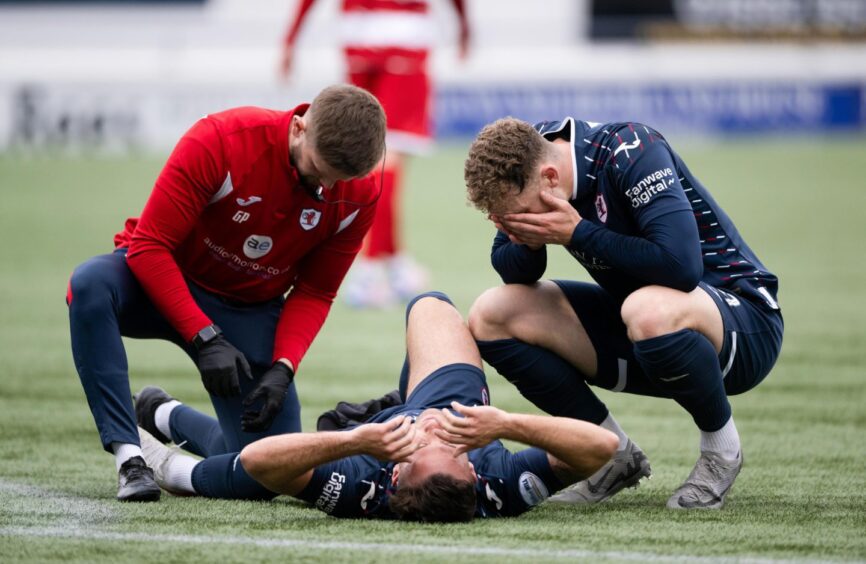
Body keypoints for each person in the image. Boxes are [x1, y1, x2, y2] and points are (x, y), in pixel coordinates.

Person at [66, 84, 387, 502]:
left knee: (270, 470)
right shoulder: (222, 140)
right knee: (89, 284)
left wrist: (284, 366)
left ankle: (163, 415)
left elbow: (315, 291)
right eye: (318, 169)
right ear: (298, 128)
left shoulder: (360, 193)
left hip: (247, 309)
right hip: (161, 282)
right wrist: (205, 336)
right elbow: (148, 247)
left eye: (339, 179)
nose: (325, 186)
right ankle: (130, 458)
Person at [463, 117, 783, 509]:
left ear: (549, 176)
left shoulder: (632, 151)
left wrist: (576, 232)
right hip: (643, 325)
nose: (519, 222)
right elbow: (516, 271)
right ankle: (612, 457)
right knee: (492, 313)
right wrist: (525, 238)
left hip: (743, 321)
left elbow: (681, 267)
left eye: (522, 213)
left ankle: (722, 452)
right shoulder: (528, 152)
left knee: (645, 309)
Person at [134, 292, 619, 521]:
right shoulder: (502, 487)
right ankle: (398, 400)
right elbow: (603, 447)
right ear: (474, 474)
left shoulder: (358, 487)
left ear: (393, 474)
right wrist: (506, 423)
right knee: (432, 305)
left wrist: (354, 439)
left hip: (361, 438)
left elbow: (260, 463)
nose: (432, 431)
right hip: (444, 395)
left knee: (253, 463)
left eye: (418, 446)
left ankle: (169, 449)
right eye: (453, 447)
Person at [281, 0, 470, 307]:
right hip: (403, 44)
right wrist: (465, 28)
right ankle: (368, 270)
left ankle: (395, 264)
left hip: (358, 40)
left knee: (370, 153)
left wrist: (290, 41)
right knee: (386, 161)